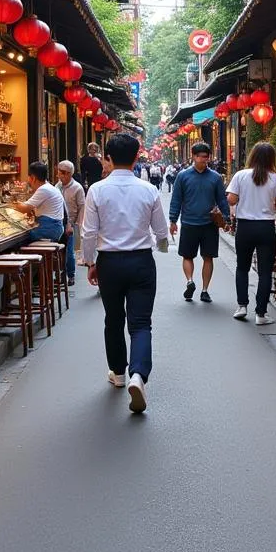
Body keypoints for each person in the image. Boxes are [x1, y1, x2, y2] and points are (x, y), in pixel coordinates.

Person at [81, 132, 169, 414]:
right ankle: (138, 375)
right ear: (135, 158)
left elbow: (89, 232)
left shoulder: (96, 190)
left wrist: (90, 260)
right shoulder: (148, 190)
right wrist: (161, 247)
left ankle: (118, 373)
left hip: (109, 262)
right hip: (141, 261)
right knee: (141, 323)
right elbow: (161, 232)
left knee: (114, 318)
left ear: (107, 158)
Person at [228, 142, 276, 325]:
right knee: (264, 271)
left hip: (245, 227)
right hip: (265, 227)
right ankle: (261, 313)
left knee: (242, 267)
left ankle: (242, 306)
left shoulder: (240, 175)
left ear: (252, 156)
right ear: (271, 159)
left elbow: (231, 198)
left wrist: (243, 198)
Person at [168, 141, 230, 304]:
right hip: (189, 222)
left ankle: (205, 290)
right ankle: (190, 281)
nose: (204, 160)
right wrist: (173, 220)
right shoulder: (182, 176)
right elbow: (176, 199)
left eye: (206, 157)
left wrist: (227, 218)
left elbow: (222, 200)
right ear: (193, 156)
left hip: (209, 223)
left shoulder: (215, 178)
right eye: (201, 157)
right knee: (187, 256)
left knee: (208, 257)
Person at [13, 162, 67, 242]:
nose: (29, 182)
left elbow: (25, 208)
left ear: (33, 178)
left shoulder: (43, 189)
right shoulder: (49, 187)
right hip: (55, 228)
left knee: (17, 240)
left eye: (29, 178)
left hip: (49, 229)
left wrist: (12, 204)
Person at [56, 160, 86, 286]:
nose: (60, 175)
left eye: (62, 173)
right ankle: (60, 274)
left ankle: (71, 275)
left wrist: (78, 225)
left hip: (71, 223)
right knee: (59, 251)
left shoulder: (77, 188)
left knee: (69, 252)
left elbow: (82, 207)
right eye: (59, 172)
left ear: (69, 174)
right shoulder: (57, 186)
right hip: (58, 222)